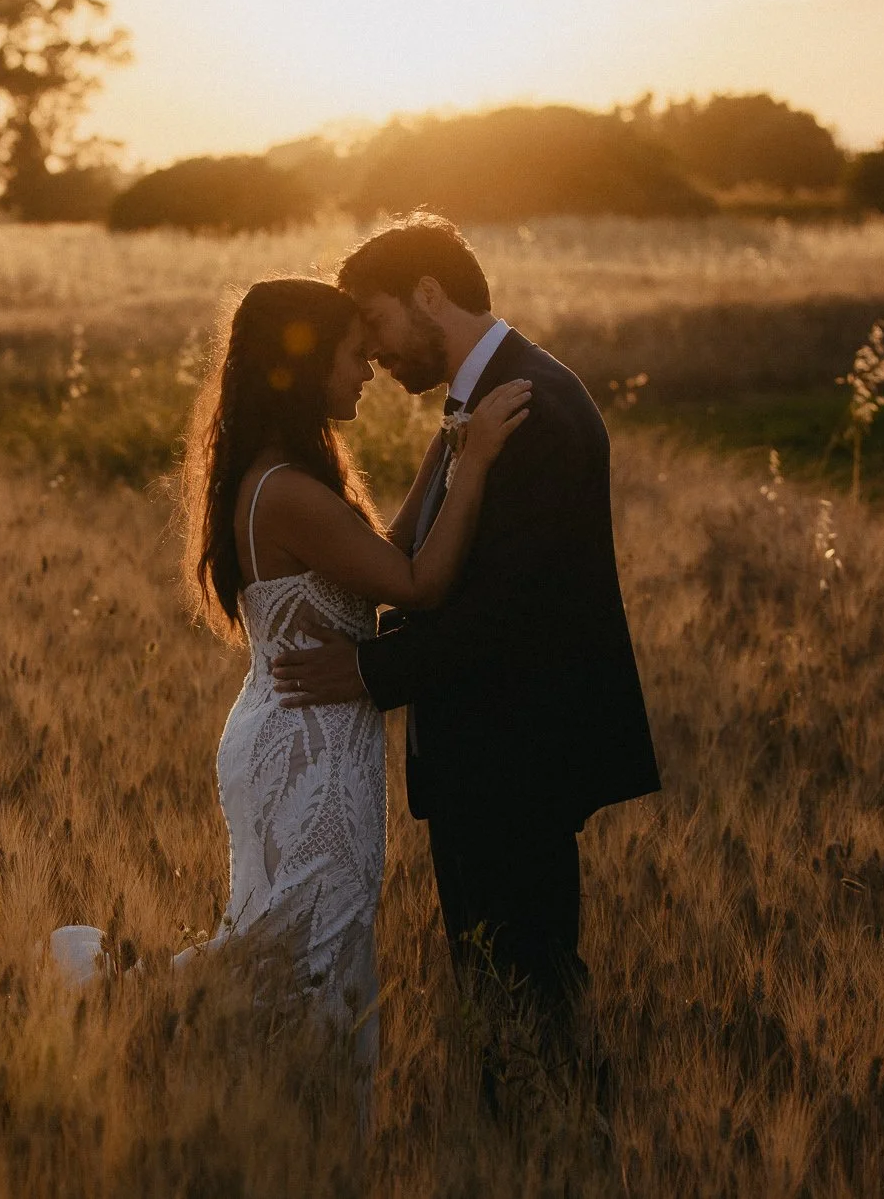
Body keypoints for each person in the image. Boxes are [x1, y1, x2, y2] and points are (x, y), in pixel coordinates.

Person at [51, 276, 529, 1072]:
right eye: (353, 354)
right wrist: (474, 466)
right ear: (305, 366)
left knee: (296, 947)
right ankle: (128, 1028)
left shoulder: (279, 477)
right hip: (311, 744)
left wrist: (439, 459)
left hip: (292, 727)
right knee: (303, 955)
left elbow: (385, 557)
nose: (368, 370)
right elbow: (418, 585)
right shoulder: (288, 491)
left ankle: (203, 1076)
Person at [271, 215, 660, 1064]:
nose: (371, 352)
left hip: (519, 756)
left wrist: (368, 670)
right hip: (483, 756)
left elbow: (509, 612)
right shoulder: (483, 404)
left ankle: (557, 1152)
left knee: (532, 995)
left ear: (428, 294)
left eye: (374, 322)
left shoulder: (537, 407)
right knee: (497, 995)